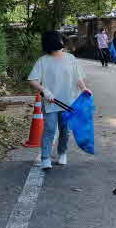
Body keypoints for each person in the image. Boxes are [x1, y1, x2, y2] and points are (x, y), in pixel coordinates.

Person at [28, 31, 91, 170]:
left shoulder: (70, 58)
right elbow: (33, 79)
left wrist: (84, 88)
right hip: (51, 101)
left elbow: (77, 77)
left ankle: (62, 153)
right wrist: (44, 90)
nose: (60, 46)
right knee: (50, 129)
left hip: (68, 101)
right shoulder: (42, 61)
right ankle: (45, 158)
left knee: (65, 130)